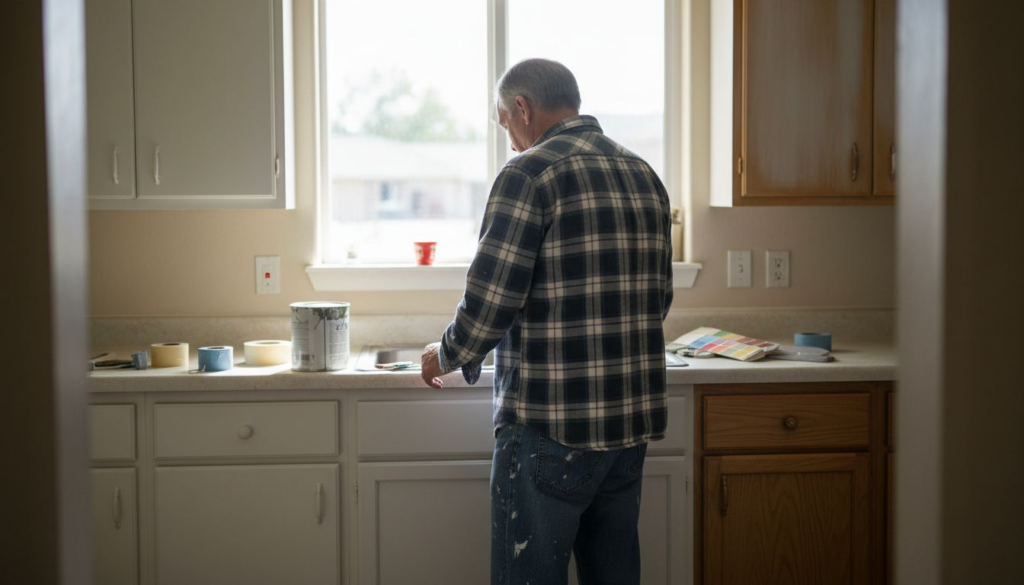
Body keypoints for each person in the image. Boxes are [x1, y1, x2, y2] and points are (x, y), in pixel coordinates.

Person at [421, 58, 674, 585]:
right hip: (628, 429)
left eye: (505, 124)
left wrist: (446, 354)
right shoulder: (642, 174)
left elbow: (492, 301)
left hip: (551, 429)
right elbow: (659, 298)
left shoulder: (529, 172)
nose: (511, 140)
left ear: (522, 108)